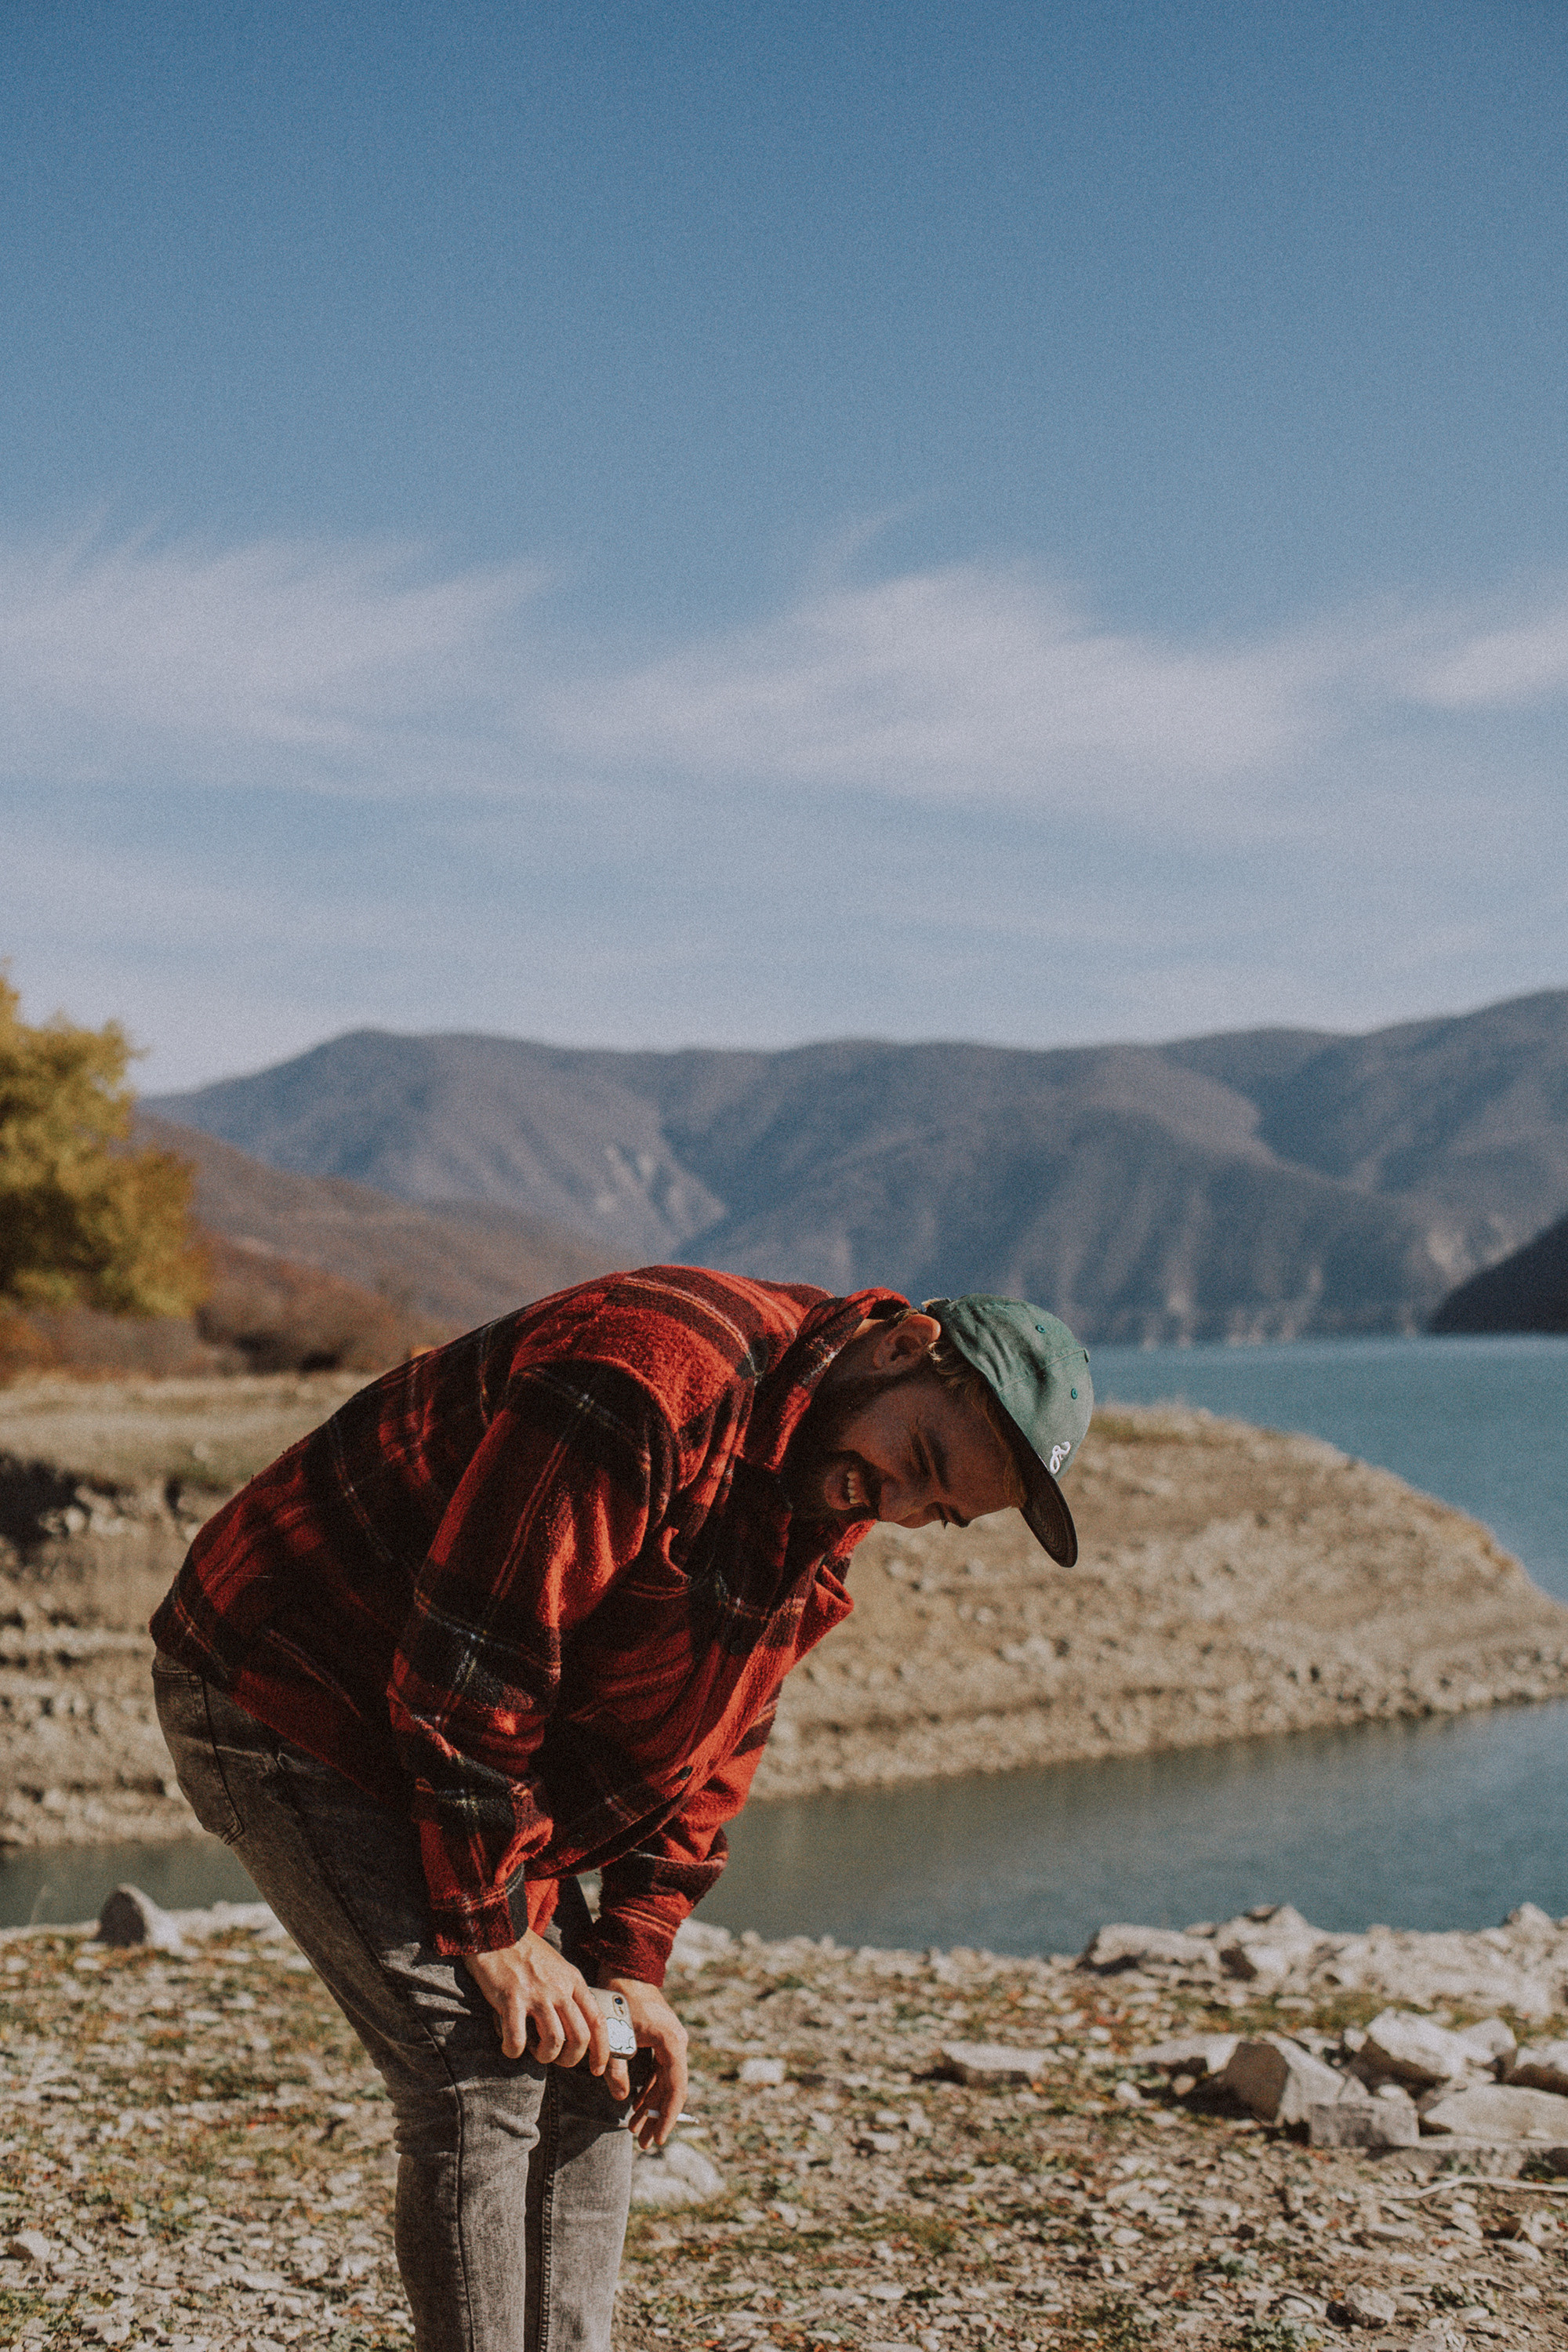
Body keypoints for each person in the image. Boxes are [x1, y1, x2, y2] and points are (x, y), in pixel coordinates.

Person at [151, 1264, 1091, 2352]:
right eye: (919, 1465)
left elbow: (725, 1721)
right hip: (289, 1681)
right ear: (904, 1345)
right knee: (482, 2067)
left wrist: (631, 1958)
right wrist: (493, 1925)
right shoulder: (656, 1377)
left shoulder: (825, 1466)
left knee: (602, 2059)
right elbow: (476, 1659)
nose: (895, 1507)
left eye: (940, 1512)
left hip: (453, 1737)